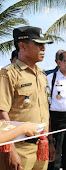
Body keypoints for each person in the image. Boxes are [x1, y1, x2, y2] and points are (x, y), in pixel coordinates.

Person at [0, 26, 53, 170]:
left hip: (41, 147)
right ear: (22, 46)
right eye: (38, 44)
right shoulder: (9, 73)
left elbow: (44, 110)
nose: (44, 48)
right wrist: (10, 149)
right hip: (19, 147)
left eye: (44, 44)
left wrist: (50, 141)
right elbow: (2, 113)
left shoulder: (42, 75)